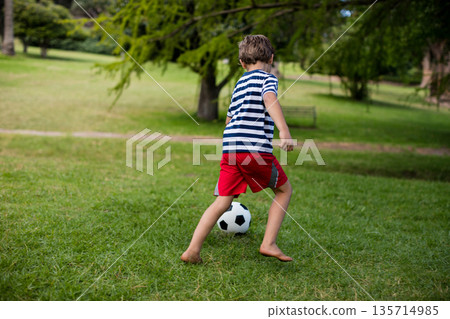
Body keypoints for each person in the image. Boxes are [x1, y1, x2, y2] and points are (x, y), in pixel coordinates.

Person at [181, 35, 294, 264]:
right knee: (284, 191)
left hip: (230, 148)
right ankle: (268, 243)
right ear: (271, 58)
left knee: (223, 201)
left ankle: (193, 250)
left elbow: (229, 119)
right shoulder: (268, 79)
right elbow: (270, 99)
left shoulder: (239, 84)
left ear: (242, 63)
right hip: (254, 150)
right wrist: (284, 131)